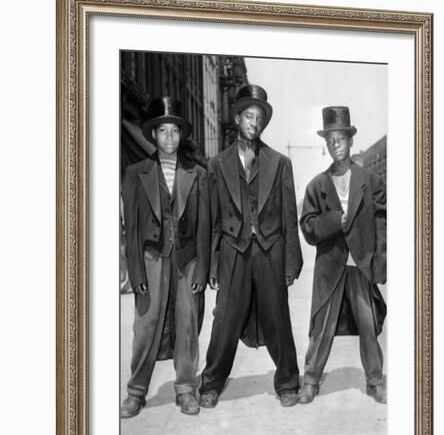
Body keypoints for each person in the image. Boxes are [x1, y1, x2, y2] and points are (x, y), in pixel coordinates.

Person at [199, 84, 303, 409]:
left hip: (270, 249)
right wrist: (213, 266)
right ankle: (211, 383)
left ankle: (287, 381)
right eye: (248, 115)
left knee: (278, 317)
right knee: (225, 319)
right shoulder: (217, 165)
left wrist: (291, 264)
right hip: (233, 250)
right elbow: (214, 219)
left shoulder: (280, 163)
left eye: (259, 117)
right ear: (236, 117)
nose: (254, 122)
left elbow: (289, 216)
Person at [120, 96, 210, 417]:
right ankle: (136, 391)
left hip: (188, 260)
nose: (169, 138)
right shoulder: (135, 173)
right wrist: (136, 272)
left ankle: (186, 388)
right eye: (163, 131)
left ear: (180, 136)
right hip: (151, 258)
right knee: (145, 325)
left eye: (175, 131)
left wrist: (203, 270)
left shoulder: (197, 174)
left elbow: (205, 225)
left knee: (187, 323)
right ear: (153, 135)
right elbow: (131, 228)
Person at [298, 106, 387, 404]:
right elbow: (308, 226)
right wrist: (335, 221)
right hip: (331, 266)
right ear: (326, 144)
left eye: (341, 138)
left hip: (360, 263)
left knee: (367, 324)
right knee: (321, 326)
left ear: (350, 140)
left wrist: (380, 259)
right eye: (330, 139)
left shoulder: (370, 180)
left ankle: (375, 380)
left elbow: (382, 221)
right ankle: (310, 379)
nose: (336, 144)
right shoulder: (317, 185)